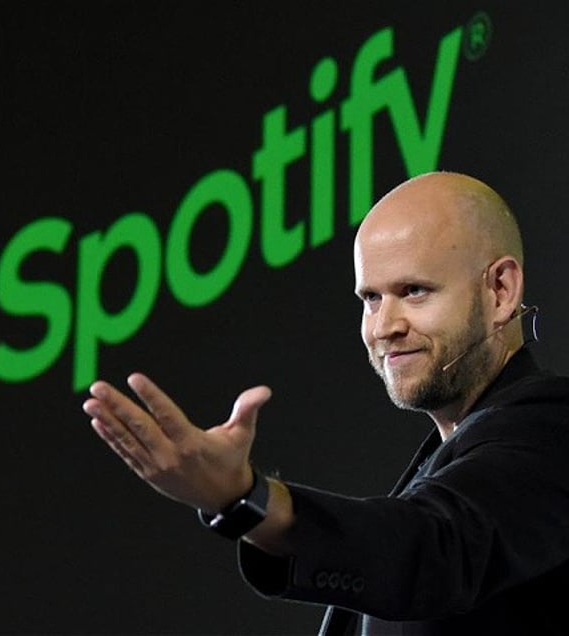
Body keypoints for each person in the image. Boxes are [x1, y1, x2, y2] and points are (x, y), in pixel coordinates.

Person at [81, 171, 569, 634]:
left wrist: (246, 498)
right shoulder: (448, 462)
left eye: (414, 291)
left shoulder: (552, 425)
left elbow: (431, 547)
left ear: (501, 291)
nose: (384, 327)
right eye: (371, 299)